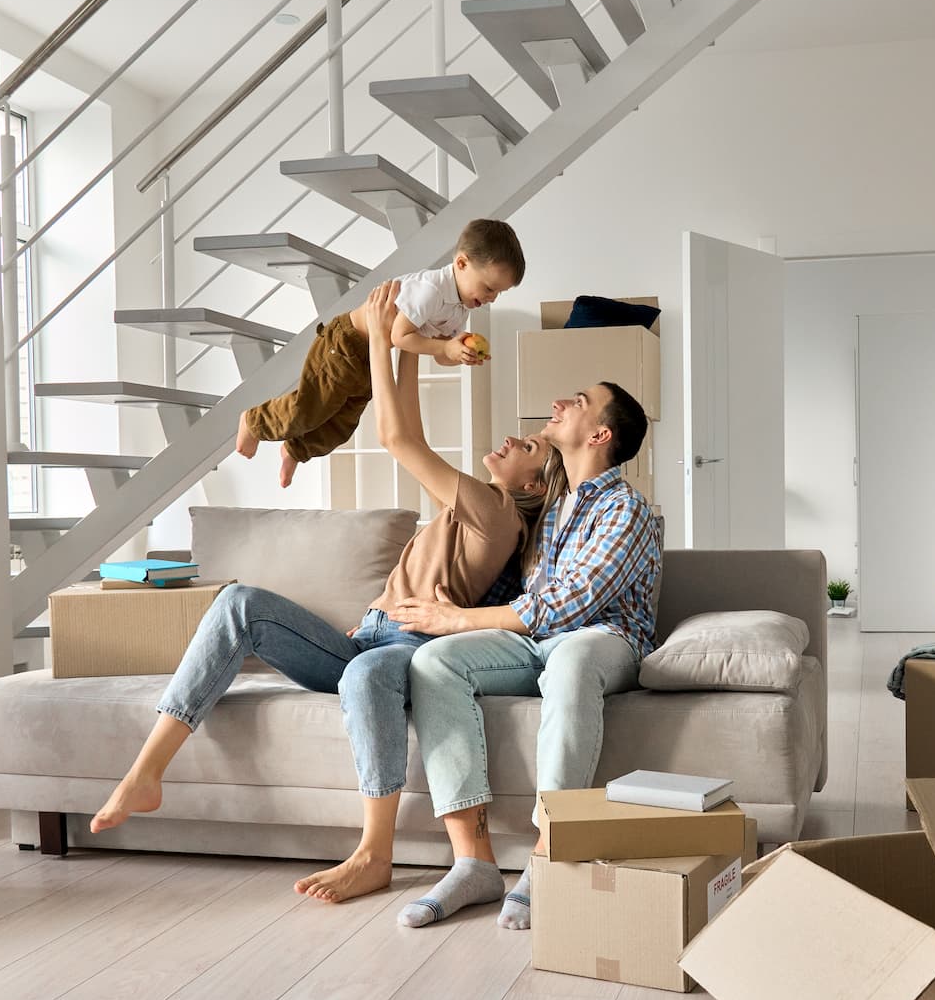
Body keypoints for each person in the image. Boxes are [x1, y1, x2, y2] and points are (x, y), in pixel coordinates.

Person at [90, 280, 564, 905]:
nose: (509, 442)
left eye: (526, 446)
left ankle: (374, 855)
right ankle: (146, 770)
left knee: (367, 674)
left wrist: (379, 340)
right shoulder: (472, 507)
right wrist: (408, 344)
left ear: (535, 483)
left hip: (403, 649)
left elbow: (397, 441)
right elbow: (412, 429)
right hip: (365, 635)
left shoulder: (497, 513)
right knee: (238, 604)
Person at [388, 381, 660, 930]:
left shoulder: (627, 507)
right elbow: (527, 597)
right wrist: (456, 611)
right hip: (537, 643)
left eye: (578, 402)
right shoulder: (557, 509)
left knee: (572, 660)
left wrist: (461, 619)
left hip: (604, 639)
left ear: (600, 434)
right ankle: (474, 862)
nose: (559, 402)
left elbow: (572, 601)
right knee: (435, 661)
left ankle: (548, 852)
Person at [235, 218, 524, 488]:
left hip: (372, 356)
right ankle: (254, 421)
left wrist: (458, 354)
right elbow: (401, 335)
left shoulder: (459, 310)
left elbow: (437, 354)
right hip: (346, 344)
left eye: (498, 293)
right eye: (489, 288)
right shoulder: (431, 291)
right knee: (309, 408)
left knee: (342, 424)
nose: (491, 298)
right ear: (461, 263)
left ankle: (295, 451)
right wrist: (445, 345)